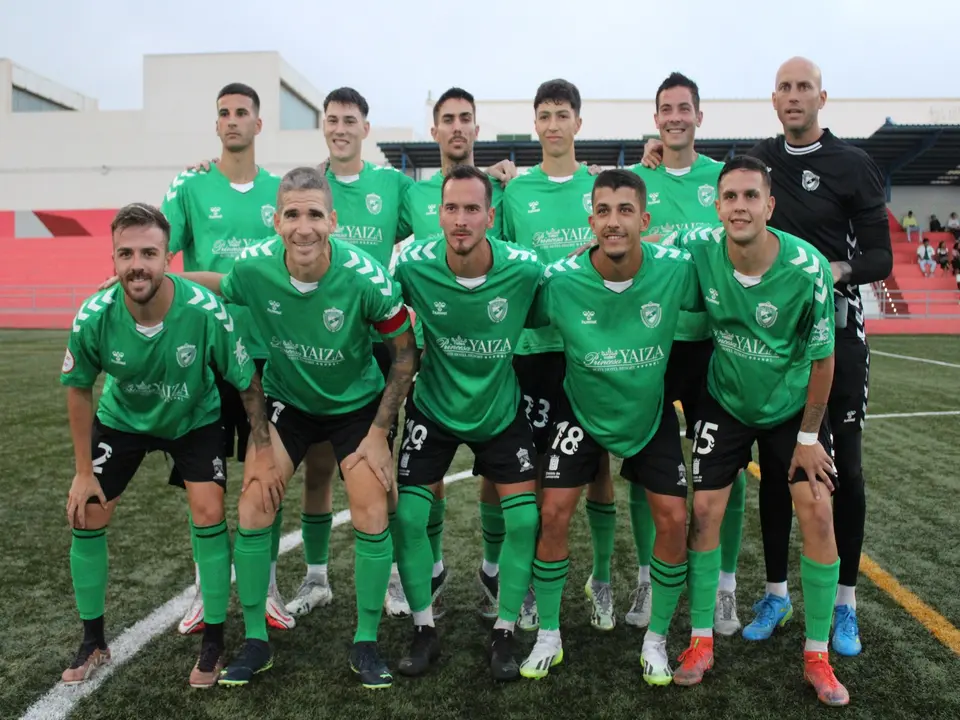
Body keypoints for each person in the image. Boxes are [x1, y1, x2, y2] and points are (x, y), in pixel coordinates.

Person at [642, 57, 892, 656]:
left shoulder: (853, 165)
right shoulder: (759, 159)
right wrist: (654, 152)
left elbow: (879, 258)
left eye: (804, 87)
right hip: (752, 353)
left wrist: (839, 270)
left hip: (828, 331)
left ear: (822, 98)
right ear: (774, 99)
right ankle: (774, 592)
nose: (794, 96)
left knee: (837, 474)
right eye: (784, 87)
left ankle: (844, 605)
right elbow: (715, 170)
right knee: (766, 481)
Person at [182, 166, 418, 688]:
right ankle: (256, 643)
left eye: (314, 214)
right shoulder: (255, 267)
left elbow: (405, 355)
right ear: (276, 221)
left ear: (333, 221)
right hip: (288, 402)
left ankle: (366, 642)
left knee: (371, 507)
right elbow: (219, 285)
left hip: (357, 406)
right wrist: (163, 279)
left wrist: (380, 432)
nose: (303, 227)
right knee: (253, 502)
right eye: (292, 215)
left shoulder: (365, 277)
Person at [60, 202, 276, 689]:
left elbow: (247, 383)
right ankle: (93, 640)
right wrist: (81, 471)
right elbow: (78, 388)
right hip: (122, 420)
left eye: (149, 252)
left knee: (207, 510)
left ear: (167, 258)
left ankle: (214, 638)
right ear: (113, 259)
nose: (138, 263)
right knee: (88, 513)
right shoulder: (95, 315)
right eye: (126, 253)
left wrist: (262, 450)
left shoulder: (203, 310)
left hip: (192, 418)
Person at [519, 168, 704, 684]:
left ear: (645, 219)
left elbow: (725, 287)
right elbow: (511, 311)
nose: (613, 222)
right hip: (580, 406)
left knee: (672, 518)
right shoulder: (561, 280)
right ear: (591, 221)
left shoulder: (676, 270)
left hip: (648, 411)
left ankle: (656, 640)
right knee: (552, 512)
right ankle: (549, 635)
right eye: (603, 211)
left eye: (625, 211)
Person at [684, 155, 848, 706]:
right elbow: (644, 239)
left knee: (819, 509)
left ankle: (817, 656)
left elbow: (823, 361)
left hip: (788, 408)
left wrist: (807, 438)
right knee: (704, 511)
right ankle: (700, 642)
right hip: (725, 402)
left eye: (750, 196)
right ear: (717, 204)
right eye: (729, 196)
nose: (739, 206)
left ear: (769, 205)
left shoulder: (806, 268)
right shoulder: (702, 251)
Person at [391, 165, 542, 682]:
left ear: (490, 217)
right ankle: (423, 628)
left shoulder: (523, 268)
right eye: (451, 208)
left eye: (472, 209)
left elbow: (568, 293)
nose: (461, 220)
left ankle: (504, 632)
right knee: (409, 519)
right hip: (433, 407)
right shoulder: (411, 263)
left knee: (524, 521)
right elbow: (375, 307)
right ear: (438, 214)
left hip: (499, 410)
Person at [159, 82, 295, 635]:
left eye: (243, 113)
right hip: (206, 354)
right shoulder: (191, 186)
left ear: (259, 125)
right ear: (216, 125)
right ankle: (204, 587)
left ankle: (267, 587)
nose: (233, 120)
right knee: (204, 480)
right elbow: (156, 246)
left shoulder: (278, 190)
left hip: (268, 352)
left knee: (268, 473)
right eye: (224, 113)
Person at [284, 87, 416, 621]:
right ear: (324, 126)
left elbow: (447, 208)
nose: (340, 127)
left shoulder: (393, 184)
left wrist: (499, 174)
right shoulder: (307, 188)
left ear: (366, 127)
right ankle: (316, 579)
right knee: (317, 469)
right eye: (332, 119)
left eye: (350, 120)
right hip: (315, 340)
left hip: (374, 342)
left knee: (377, 465)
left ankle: (392, 581)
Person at [624, 71, 746, 637]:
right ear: (655, 119)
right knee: (644, 468)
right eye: (666, 109)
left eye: (684, 108)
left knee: (726, 469)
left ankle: (724, 587)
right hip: (651, 345)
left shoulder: (724, 180)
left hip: (713, 346)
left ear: (700, 116)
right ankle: (649, 579)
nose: (675, 117)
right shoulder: (640, 181)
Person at [500, 78, 618, 632]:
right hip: (530, 349)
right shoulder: (516, 194)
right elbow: (502, 263)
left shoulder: (598, 189)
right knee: (526, 471)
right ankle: (521, 585)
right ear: (535, 123)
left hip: (587, 347)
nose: (553, 124)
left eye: (562, 114)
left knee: (596, 466)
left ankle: (600, 578)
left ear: (578, 122)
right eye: (543, 114)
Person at [400, 86, 517, 620]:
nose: (455, 128)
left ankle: (494, 573)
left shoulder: (507, 187)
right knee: (429, 483)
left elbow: (524, 266)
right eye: (445, 119)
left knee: (500, 476)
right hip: (432, 359)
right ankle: (433, 568)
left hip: (497, 359)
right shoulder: (410, 197)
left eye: (464, 119)